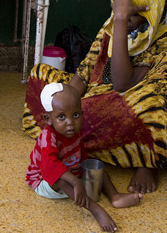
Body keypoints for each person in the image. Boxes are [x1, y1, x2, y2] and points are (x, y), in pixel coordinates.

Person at [23, 0, 167, 194]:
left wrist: (121, 22)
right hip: (98, 99)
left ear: (151, 11)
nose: (120, 17)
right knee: (40, 77)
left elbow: (122, 83)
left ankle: (148, 160)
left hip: (133, 109)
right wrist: (65, 104)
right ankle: (70, 132)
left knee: (148, 107)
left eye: (131, 13)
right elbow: (84, 74)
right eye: (118, 10)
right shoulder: (111, 27)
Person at [26, 83, 143, 232]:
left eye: (75, 115)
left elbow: (82, 156)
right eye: (61, 117)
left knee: (100, 171)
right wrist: (76, 182)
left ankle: (115, 196)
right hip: (44, 180)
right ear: (48, 119)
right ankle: (95, 209)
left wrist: (88, 173)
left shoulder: (75, 132)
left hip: (70, 172)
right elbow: (50, 168)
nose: (70, 123)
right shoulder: (48, 137)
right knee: (61, 180)